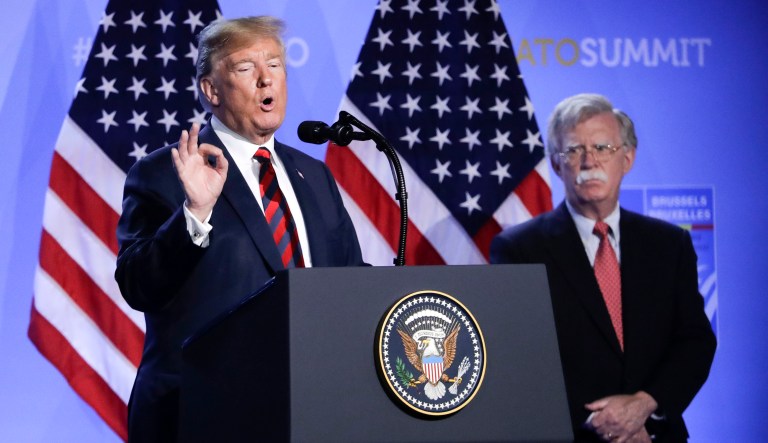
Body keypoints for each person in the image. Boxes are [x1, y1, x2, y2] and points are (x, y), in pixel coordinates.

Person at [115, 16, 365, 442]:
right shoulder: (164, 174)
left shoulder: (314, 176)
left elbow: (349, 280)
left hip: (309, 408)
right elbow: (139, 285)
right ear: (211, 90)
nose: (267, 79)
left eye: (275, 64)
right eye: (246, 68)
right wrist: (195, 211)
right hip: (201, 414)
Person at [490, 93, 716, 443]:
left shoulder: (669, 244)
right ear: (555, 163)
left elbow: (695, 342)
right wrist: (604, 422)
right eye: (574, 150)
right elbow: (516, 358)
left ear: (627, 158)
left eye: (602, 147)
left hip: (654, 434)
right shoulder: (519, 248)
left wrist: (645, 407)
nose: (588, 161)